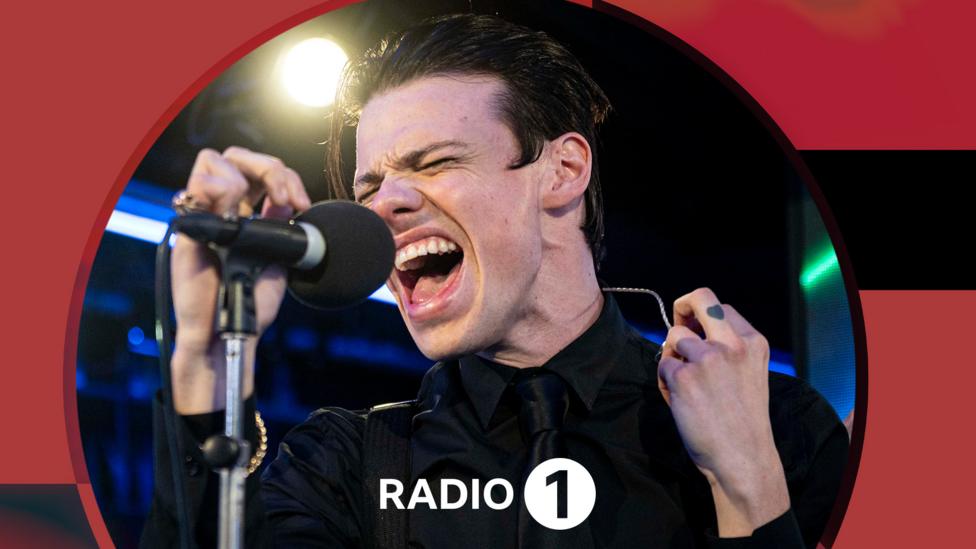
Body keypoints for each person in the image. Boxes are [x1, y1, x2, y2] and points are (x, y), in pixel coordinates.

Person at [141, 13, 849, 549]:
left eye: (434, 161)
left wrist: (746, 479)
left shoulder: (775, 426)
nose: (384, 203)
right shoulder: (343, 466)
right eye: (371, 184)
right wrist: (202, 360)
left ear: (563, 171)